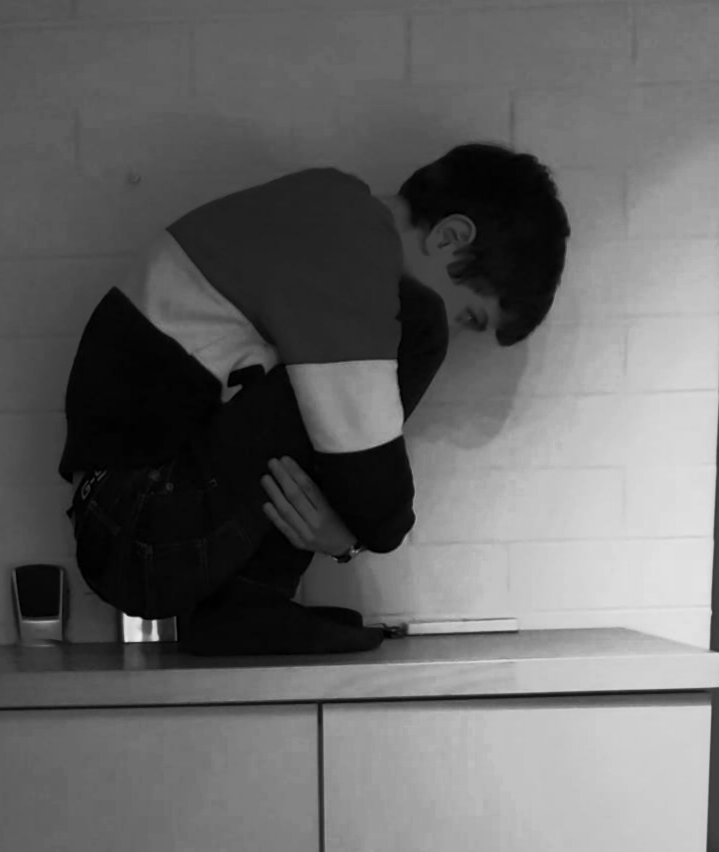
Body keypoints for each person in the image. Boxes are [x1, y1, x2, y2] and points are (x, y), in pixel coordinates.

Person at [59, 142, 570, 656]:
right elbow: (373, 493)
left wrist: (353, 526)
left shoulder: (320, 230)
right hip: (135, 524)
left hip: (135, 521)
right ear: (450, 238)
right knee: (415, 327)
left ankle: (239, 610)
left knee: (330, 395)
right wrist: (365, 533)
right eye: (469, 316)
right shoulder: (344, 230)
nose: (454, 335)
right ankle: (245, 603)